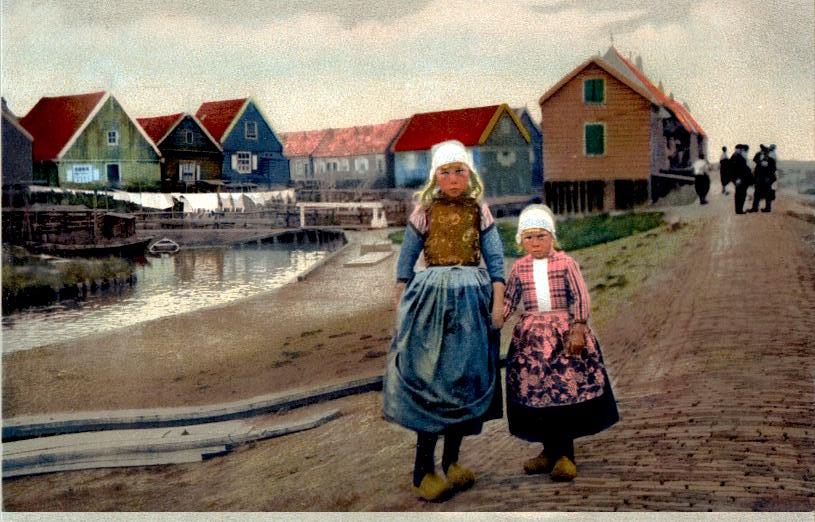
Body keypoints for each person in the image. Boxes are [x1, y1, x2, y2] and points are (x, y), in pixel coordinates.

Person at [382, 139, 505, 502]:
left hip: (471, 301)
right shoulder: (424, 211)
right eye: (446, 173)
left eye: (460, 172)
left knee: (462, 379)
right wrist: (400, 309)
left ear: (470, 174)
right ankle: (423, 472)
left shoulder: (480, 211)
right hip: (431, 302)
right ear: (435, 176)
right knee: (432, 379)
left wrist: (497, 303)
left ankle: (451, 462)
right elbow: (405, 265)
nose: (453, 179)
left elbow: (496, 261)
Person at [502, 205, 619, 482]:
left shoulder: (566, 264)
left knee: (564, 392)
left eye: (541, 236)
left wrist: (578, 327)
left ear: (551, 236)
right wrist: (493, 320)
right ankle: (548, 452)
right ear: (521, 241)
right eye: (528, 238)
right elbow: (508, 301)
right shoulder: (519, 268)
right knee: (539, 394)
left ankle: (566, 455)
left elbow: (580, 297)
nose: (535, 243)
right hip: (531, 343)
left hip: (563, 339)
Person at [750, 145, 776, 213]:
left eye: (763, 152)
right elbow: (755, 160)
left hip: (765, 179)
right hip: (762, 179)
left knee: (764, 193)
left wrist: (768, 176)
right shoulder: (762, 159)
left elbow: (772, 169)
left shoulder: (769, 159)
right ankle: (758, 208)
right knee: (760, 193)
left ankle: (762, 208)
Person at [730, 144, 753, 214]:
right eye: (741, 149)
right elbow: (739, 169)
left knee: (740, 194)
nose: (741, 151)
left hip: (740, 179)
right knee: (741, 194)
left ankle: (739, 209)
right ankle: (739, 210)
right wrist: (737, 179)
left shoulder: (736, 156)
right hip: (741, 179)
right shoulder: (737, 157)